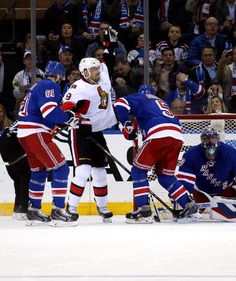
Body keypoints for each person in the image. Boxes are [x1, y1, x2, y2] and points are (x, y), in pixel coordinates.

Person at [114, 84, 201, 224]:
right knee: (165, 176)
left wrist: (124, 123)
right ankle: (189, 206)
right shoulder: (161, 103)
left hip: (159, 134)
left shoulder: (141, 97)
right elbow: (133, 135)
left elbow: (119, 103)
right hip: (177, 136)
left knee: (137, 170)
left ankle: (143, 210)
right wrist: (129, 130)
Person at [17, 60, 79, 226]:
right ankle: (58, 209)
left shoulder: (36, 87)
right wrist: (69, 118)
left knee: (39, 170)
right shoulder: (49, 86)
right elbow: (49, 112)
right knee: (61, 167)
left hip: (24, 133)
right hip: (36, 132)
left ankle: (34, 210)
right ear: (58, 75)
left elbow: (44, 112)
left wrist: (64, 120)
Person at [61, 57, 118, 222]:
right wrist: (79, 119)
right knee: (83, 170)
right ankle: (71, 208)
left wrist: (110, 47)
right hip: (80, 132)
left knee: (100, 171)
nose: (97, 72)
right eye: (94, 70)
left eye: (98, 69)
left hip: (97, 131)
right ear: (85, 72)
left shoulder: (103, 77)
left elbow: (107, 61)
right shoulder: (79, 87)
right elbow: (65, 107)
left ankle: (102, 207)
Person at [177, 127, 236, 221]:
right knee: (180, 216)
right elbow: (184, 181)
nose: (211, 141)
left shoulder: (230, 152)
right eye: (207, 139)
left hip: (225, 191)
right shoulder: (192, 154)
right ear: (202, 140)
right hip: (201, 192)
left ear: (217, 139)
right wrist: (183, 200)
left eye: (213, 138)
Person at [0, 120, 30, 220]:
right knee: (25, 174)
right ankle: (23, 209)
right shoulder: (36, 116)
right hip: (12, 143)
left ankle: (17, 209)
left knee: (18, 177)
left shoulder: (25, 115)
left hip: (2, 141)